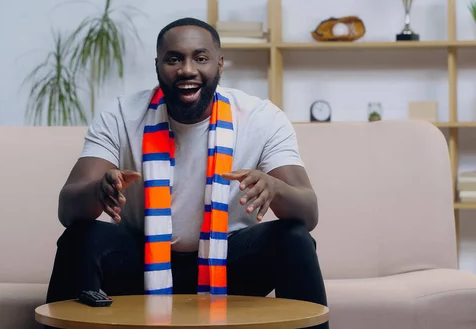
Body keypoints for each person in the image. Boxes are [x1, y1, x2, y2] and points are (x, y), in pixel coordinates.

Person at [45, 17, 329, 329]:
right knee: (81, 238)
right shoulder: (121, 115)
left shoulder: (262, 118)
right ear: (157, 65)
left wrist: (274, 187)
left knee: (294, 239)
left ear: (220, 65)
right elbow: (68, 209)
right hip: (142, 261)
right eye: (174, 59)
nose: (187, 70)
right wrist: (99, 190)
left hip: (229, 261)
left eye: (201, 58)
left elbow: (309, 211)